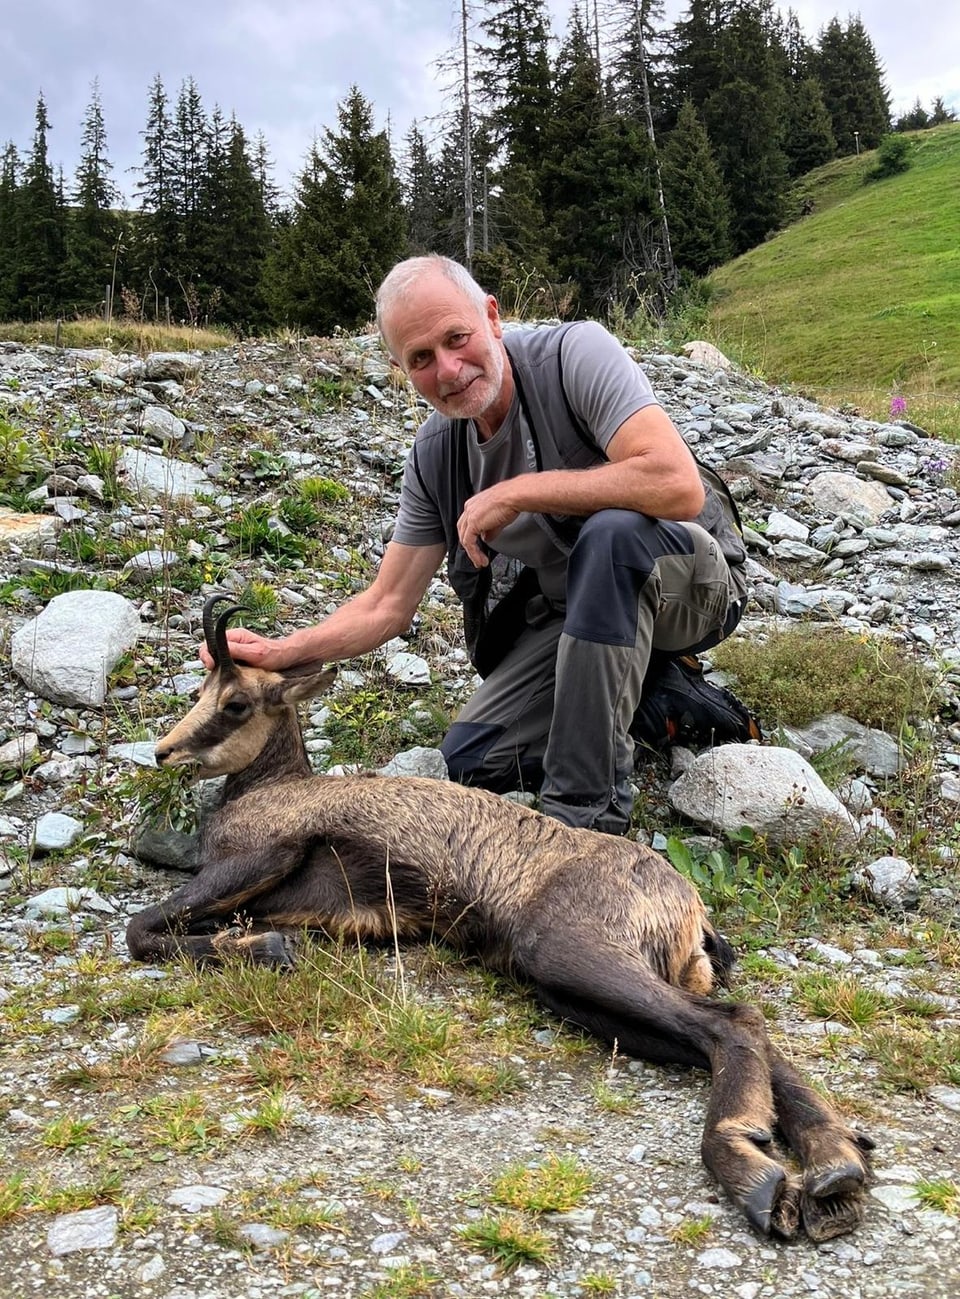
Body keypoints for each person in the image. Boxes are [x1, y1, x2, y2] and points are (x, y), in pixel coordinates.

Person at [207, 255, 748, 835]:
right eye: (421, 359)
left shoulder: (574, 355)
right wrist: (281, 653)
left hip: (688, 582)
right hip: (579, 617)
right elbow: (387, 604)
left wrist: (520, 492)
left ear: (492, 317)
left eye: (456, 338)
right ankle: (653, 694)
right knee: (472, 760)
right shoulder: (437, 453)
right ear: (401, 368)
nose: (447, 369)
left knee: (611, 536)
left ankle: (585, 822)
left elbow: (676, 484)